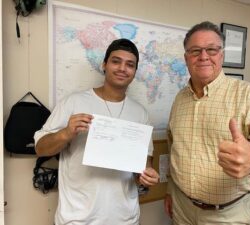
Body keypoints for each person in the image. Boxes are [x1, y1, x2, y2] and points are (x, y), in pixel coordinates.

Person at [164, 21, 250, 225]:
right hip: (182, 209)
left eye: (212, 50)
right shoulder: (179, 99)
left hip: (227, 215)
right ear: (186, 58)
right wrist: (170, 191)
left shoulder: (247, 95)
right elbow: (174, 149)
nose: (204, 56)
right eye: (195, 50)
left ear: (222, 55)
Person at [34, 38, 159, 225]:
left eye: (130, 64)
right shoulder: (73, 102)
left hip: (125, 219)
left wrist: (147, 175)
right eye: (116, 61)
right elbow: (40, 148)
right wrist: (66, 133)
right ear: (104, 65)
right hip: (78, 218)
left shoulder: (140, 113)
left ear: (134, 72)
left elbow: (141, 167)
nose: (122, 68)